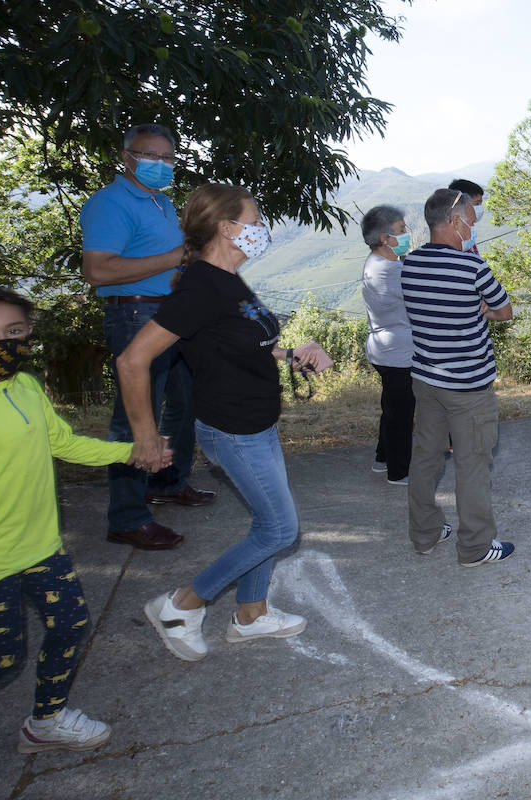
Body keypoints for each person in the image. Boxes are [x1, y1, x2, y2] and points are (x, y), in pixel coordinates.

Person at [0, 286, 166, 751]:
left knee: (71, 625)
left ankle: (46, 721)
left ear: (28, 335)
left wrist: (136, 453)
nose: (1, 342)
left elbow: (63, 442)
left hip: (41, 548)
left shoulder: (27, 386)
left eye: (14, 331)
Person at [121, 184, 332, 661]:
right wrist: (146, 436)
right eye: (255, 221)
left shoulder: (228, 278)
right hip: (233, 430)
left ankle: (252, 615)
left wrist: (291, 353)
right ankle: (181, 605)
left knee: (267, 521)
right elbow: (133, 360)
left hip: (256, 421)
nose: (262, 230)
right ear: (226, 227)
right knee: (280, 530)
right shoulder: (201, 286)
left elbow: (234, 341)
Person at [79, 123, 215, 551]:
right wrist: (178, 256)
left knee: (186, 402)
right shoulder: (110, 203)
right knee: (136, 416)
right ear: (127, 157)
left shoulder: (161, 201)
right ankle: (127, 517)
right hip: (136, 314)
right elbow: (98, 270)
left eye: (168, 158)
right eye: (150, 156)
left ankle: (168, 481)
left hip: (172, 313)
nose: (160, 165)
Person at [402, 188, 517, 567]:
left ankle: (425, 534)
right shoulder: (472, 267)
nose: (474, 227)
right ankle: (474, 547)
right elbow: (505, 311)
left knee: (425, 458)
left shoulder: (410, 264)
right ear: (454, 222)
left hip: (426, 378)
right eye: (471, 219)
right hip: (468, 385)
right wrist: (480, 310)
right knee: (472, 464)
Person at [360, 204, 415, 484]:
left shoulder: (378, 262)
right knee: (402, 414)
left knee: (392, 407)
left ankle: (383, 458)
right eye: (401, 231)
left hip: (385, 347)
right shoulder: (389, 271)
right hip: (398, 352)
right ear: (384, 238)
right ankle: (399, 470)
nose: (406, 234)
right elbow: (419, 299)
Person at [448, 179, 485, 255]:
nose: (480, 208)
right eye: (477, 203)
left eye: (481, 203)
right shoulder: (456, 239)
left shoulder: (468, 236)